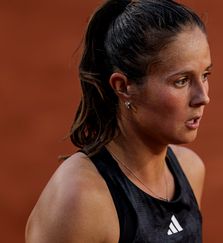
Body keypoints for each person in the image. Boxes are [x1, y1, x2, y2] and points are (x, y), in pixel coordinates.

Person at [25, 0, 212, 242]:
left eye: (205, 75)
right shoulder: (81, 201)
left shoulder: (190, 170)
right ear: (123, 87)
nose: (203, 97)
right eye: (181, 81)